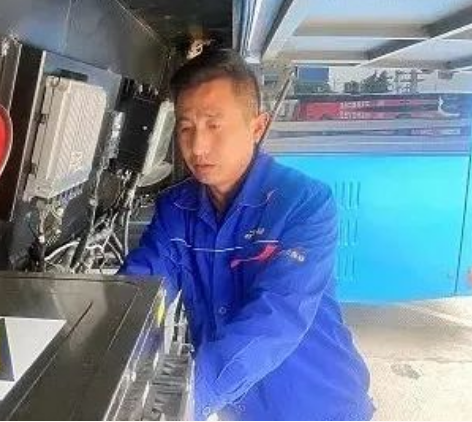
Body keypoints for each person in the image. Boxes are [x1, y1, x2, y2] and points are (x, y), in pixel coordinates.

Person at [119, 49, 373, 420]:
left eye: (214, 125)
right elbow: (139, 289)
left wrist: (188, 403)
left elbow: (278, 316)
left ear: (257, 127)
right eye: (186, 128)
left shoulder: (304, 203)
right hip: (238, 410)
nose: (197, 146)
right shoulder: (176, 209)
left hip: (318, 404)